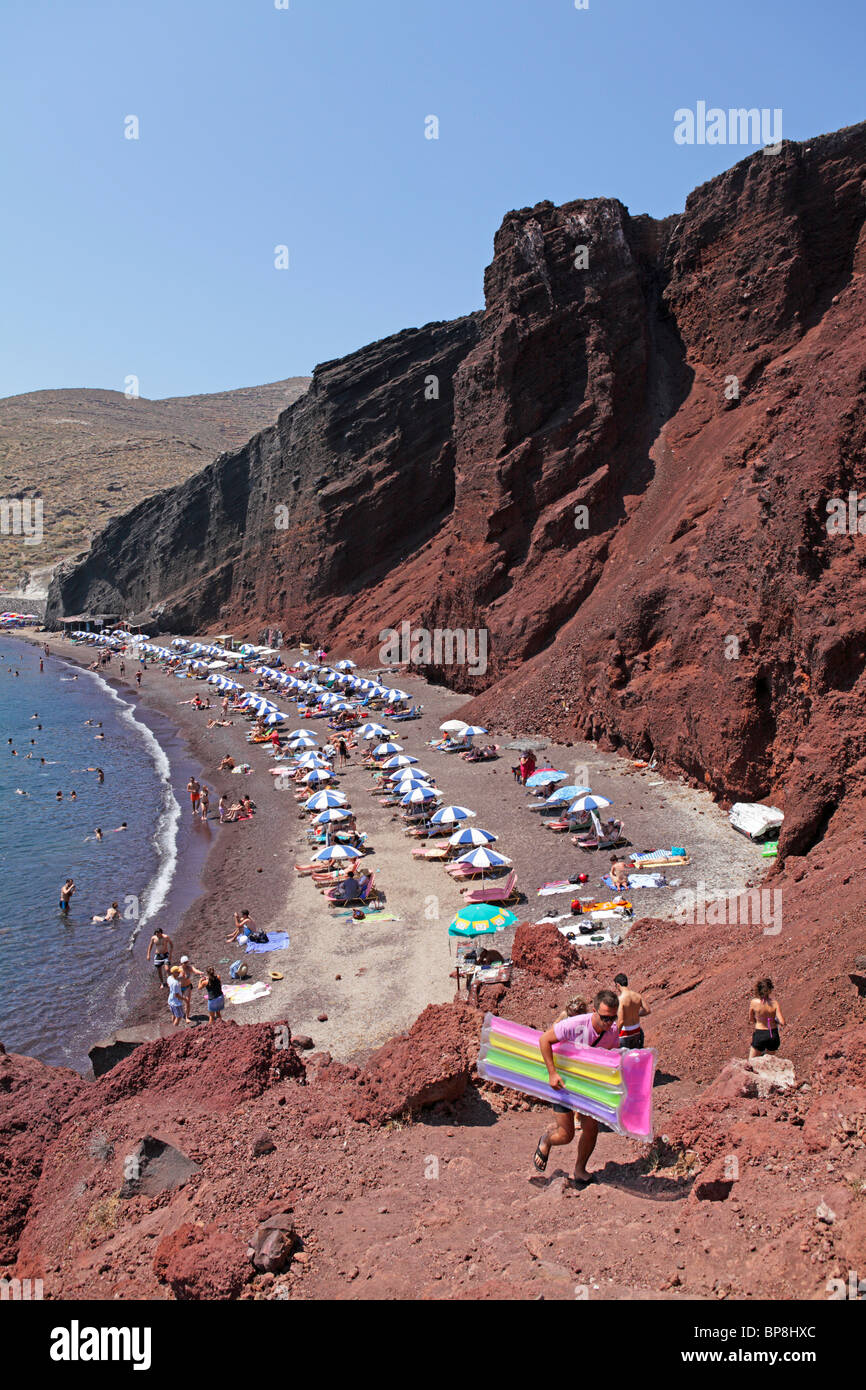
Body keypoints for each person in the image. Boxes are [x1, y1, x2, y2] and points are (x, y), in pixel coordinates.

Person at [532, 990, 621, 1187]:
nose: (608, 1022)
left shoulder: (613, 1031)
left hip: (588, 1086)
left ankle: (580, 1170)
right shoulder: (574, 1025)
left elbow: (611, 1055)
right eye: (605, 1017)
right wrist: (552, 1073)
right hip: (564, 1083)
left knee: (591, 1129)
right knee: (566, 1135)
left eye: (612, 1017)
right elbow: (544, 1040)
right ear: (594, 1010)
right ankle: (546, 1140)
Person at [749, 978, 785, 1058]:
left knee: (751, 1063)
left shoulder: (754, 1002)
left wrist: (759, 1020)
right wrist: (774, 1020)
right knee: (769, 1063)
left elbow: (751, 1019)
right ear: (770, 990)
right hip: (773, 1035)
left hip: (760, 1034)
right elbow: (782, 1022)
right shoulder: (775, 1003)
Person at [613, 973, 649, 1048]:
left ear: (618, 985)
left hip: (625, 1033)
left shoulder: (620, 1000)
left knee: (624, 1058)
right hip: (637, 1030)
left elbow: (621, 1021)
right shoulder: (637, 995)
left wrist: (615, 1035)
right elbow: (647, 1010)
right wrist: (636, 1013)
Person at [177, 955, 205, 1019]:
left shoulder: (189, 968)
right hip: (179, 987)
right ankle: (181, 1013)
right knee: (179, 1002)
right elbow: (173, 976)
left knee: (187, 1001)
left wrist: (200, 973)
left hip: (187, 987)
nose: (186, 964)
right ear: (181, 963)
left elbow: (195, 970)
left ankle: (187, 1016)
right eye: (185, 963)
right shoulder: (178, 969)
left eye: (187, 962)